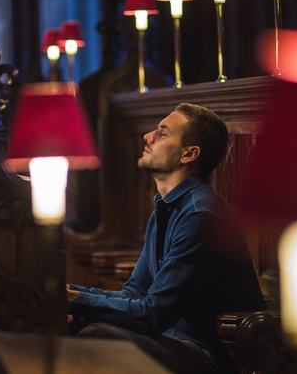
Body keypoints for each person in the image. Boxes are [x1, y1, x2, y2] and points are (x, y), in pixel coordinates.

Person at [67, 103, 266, 373]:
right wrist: (70, 293)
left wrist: (76, 300)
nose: (148, 137)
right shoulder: (165, 208)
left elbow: (151, 316)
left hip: (209, 356)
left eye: (162, 133)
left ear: (189, 154)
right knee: (76, 323)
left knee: (95, 334)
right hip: (173, 340)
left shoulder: (200, 215)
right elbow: (134, 293)